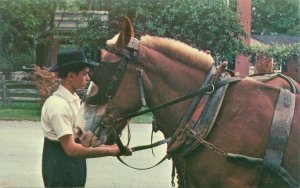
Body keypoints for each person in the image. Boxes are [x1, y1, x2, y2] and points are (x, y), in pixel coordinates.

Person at [41, 48, 130, 187]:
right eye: (85, 74)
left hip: (74, 171)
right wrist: (111, 150)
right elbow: (71, 148)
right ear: (71, 76)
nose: (88, 78)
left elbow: (82, 137)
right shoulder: (57, 106)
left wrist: (112, 143)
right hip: (61, 174)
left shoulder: (74, 100)